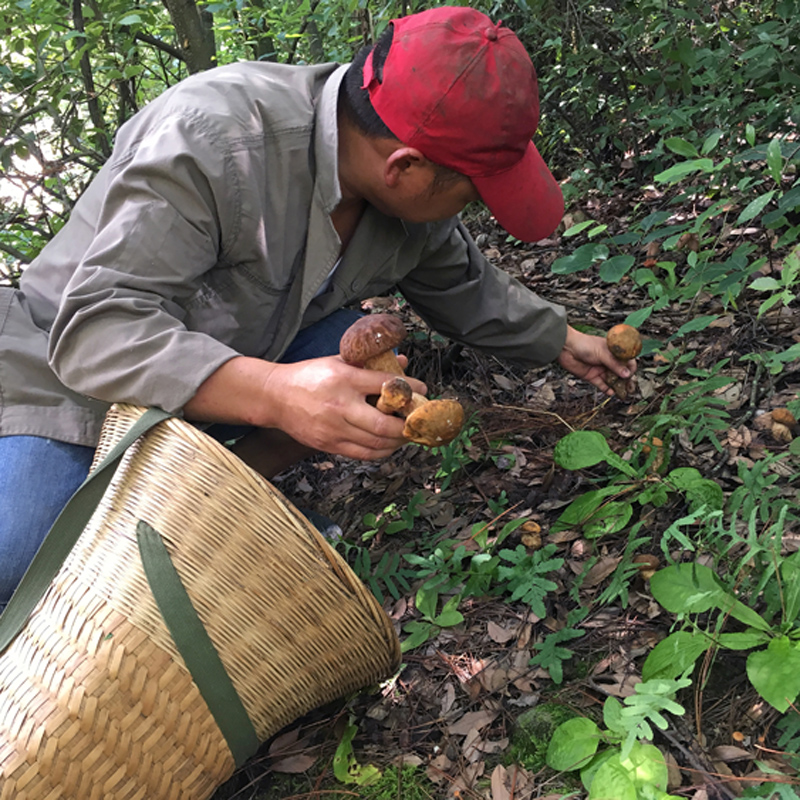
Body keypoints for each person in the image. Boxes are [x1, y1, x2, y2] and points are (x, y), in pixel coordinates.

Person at [0, 6, 636, 607]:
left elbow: (466, 287)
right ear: (406, 166)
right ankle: (171, 519)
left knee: (356, 366)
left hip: (228, 373)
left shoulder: (404, 198)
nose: (470, 211)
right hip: (64, 389)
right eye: (473, 194)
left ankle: (206, 510)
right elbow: (97, 329)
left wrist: (563, 340)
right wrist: (277, 393)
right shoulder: (214, 137)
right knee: (24, 567)